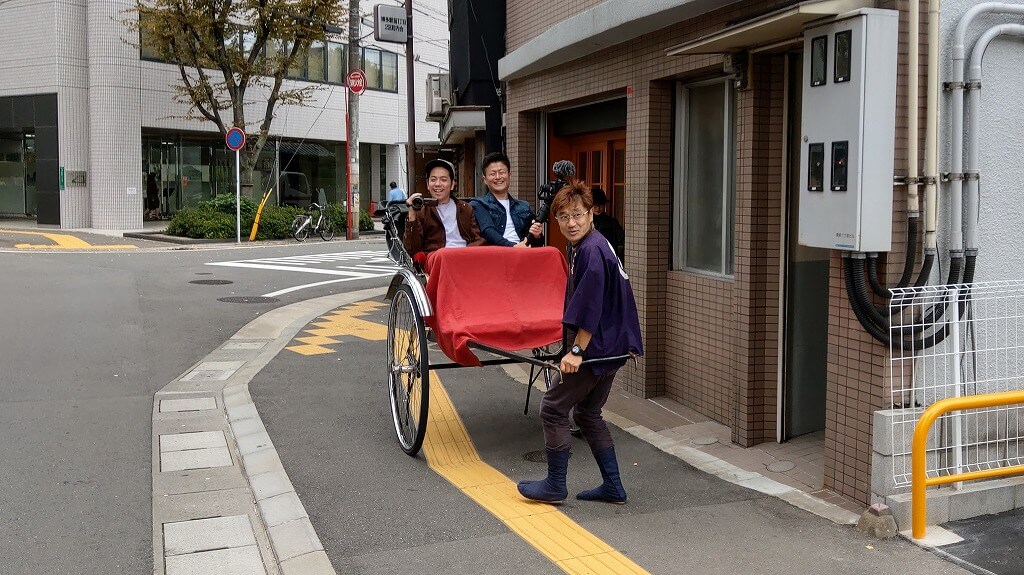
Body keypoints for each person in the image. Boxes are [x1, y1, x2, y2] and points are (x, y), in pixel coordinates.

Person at [517, 180, 643, 505]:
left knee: (553, 407)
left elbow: (592, 303)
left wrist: (576, 350)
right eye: (563, 217)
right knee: (588, 413)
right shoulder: (586, 245)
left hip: (596, 347)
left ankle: (555, 485)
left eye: (577, 214)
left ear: (591, 214)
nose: (571, 223)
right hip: (614, 345)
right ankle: (613, 487)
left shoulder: (591, 249)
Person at [403, 159, 485, 255]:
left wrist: (467, 252)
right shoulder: (422, 211)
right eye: (433, 179)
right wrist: (412, 213)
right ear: (427, 184)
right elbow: (412, 250)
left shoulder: (465, 208)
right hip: (437, 259)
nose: (437, 184)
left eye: (443, 180)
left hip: (463, 258)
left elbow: (478, 240)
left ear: (452, 184)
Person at [470, 151, 543, 248]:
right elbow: (488, 231)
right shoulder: (478, 204)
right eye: (492, 174)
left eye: (501, 172)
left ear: (509, 175)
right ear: (485, 179)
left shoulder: (524, 206)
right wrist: (513, 247)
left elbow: (537, 243)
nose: (498, 177)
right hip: (496, 255)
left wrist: (537, 235)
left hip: (523, 254)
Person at [590, 187, 625, 261]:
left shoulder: (612, 223)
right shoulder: (585, 222)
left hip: (608, 258)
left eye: (601, 205)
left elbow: (622, 238)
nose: (598, 208)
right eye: (595, 206)